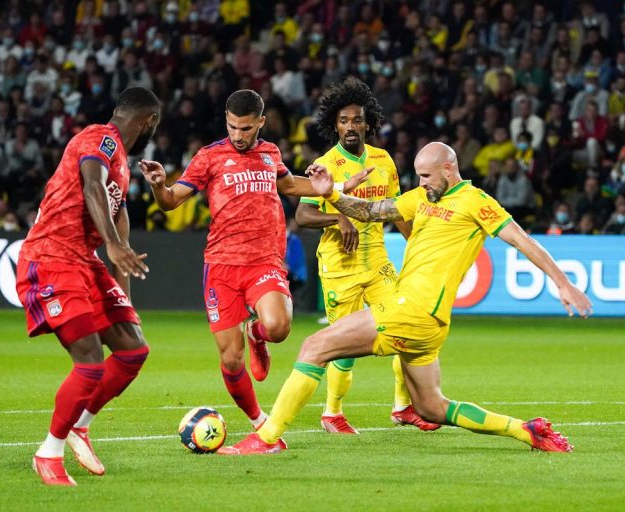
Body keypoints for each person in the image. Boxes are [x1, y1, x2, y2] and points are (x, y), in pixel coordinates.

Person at [219, 142, 593, 455]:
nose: (421, 182)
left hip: (410, 310)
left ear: (449, 168)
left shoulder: (477, 202)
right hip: (429, 324)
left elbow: (522, 239)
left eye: (427, 175)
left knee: (315, 346)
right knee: (432, 407)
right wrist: (332, 193)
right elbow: (369, 211)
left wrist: (562, 282)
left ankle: (266, 439)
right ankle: (525, 430)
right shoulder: (421, 197)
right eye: (417, 175)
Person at [139, 89, 367, 432]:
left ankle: (256, 333)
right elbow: (171, 202)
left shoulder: (270, 153)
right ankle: (260, 422)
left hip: (264, 260)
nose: (238, 135)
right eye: (232, 127)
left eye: (245, 128)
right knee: (231, 359)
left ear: (260, 122)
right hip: (222, 265)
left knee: (279, 327)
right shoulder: (209, 157)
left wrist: (329, 187)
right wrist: (159, 186)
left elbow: (290, 186)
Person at [15, 87, 161, 485]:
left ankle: (80, 425)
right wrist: (112, 243)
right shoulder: (98, 138)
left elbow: (120, 218)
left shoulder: (124, 164)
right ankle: (49, 453)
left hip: (84, 261)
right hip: (52, 258)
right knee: (91, 363)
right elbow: (92, 186)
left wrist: (124, 295)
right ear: (149, 121)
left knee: (133, 350)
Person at [295, 77, 438, 434]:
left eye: (356, 119)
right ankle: (332, 414)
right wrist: (336, 217)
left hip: (378, 262)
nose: (350, 127)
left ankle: (404, 407)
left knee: (408, 328)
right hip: (340, 267)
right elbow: (302, 215)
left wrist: (416, 244)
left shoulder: (383, 161)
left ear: (367, 123)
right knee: (343, 348)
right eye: (343, 121)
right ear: (335, 125)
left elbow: (397, 210)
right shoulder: (325, 164)